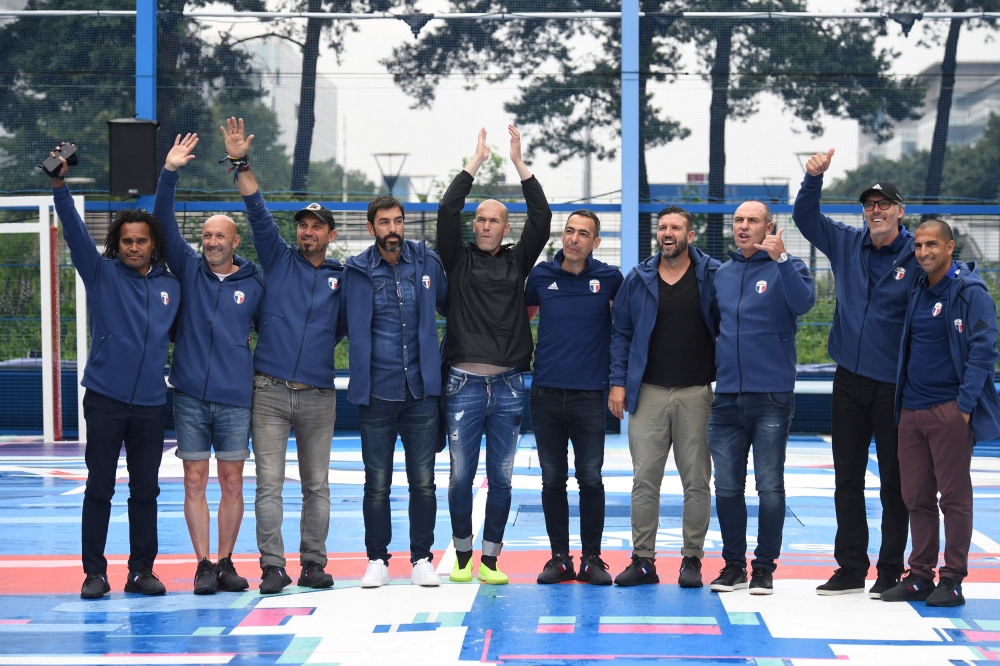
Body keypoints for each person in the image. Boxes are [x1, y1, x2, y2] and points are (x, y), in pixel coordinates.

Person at [49, 143, 180, 599]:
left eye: (142, 240)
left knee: (146, 493)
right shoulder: (100, 273)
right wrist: (60, 187)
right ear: (116, 244)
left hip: (150, 404)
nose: (134, 247)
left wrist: (168, 175)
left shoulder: (170, 285)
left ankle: (141, 571)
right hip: (104, 399)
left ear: (152, 244)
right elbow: (73, 232)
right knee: (99, 489)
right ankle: (94, 574)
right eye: (126, 240)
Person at [221, 117, 344, 594]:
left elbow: (344, 328)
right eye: (304, 226)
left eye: (317, 227)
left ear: (331, 234)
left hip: (318, 395)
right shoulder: (276, 256)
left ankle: (314, 563)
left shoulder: (342, 276)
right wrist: (239, 162)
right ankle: (273, 565)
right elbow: (255, 207)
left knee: (317, 486)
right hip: (269, 390)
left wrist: (312, 352)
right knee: (268, 484)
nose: (307, 232)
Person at [792, 149, 917, 598]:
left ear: (900, 212)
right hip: (848, 380)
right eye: (869, 204)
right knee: (847, 477)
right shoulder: (846, 242)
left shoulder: (916, 255)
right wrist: (813, 178)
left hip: (893, 387)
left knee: (894, 483)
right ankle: (850, 567)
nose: (875, 210)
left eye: (883, 204)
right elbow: (805, 217)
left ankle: (889, 570)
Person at [438, 126, 552, 585]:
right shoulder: (457, 258)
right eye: (480, 219)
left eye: (494, 220)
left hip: (507, 385)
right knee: (461, 477)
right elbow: (447, 210)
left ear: (506, 229)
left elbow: (541, 216)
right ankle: (463, 556)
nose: (485, 225)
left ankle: (490, 560)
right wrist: (476, 162)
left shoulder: (517, 261)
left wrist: (519, 163)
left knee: (502, 480)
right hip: (463, 383)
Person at [152, 133, 264, 595]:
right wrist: (169, 172)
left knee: (233, 481)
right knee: (194, 478)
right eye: (207, 236)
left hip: (237, 397)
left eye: (221, 235)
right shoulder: (187, 266)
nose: (212, 241)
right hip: (191, 395)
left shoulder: (255, 282)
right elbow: (161, 221)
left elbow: (269, 329)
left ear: (235, 240)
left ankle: (226, 562)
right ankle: (202, 564)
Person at [881, 219, 1000, 607]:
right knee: (915, 496)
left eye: (932, 244)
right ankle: (919, 575)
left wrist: (963, 407)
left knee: (954, 498)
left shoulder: (971, 292)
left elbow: (984, 351)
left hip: (949, 411)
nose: (923, 252)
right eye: (918, 245)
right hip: (912, 411)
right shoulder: (916, 286)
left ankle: (952, 579)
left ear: (950, 247)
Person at [607, 206, 719, 588]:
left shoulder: (713, 275)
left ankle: (692, 560)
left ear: (690, 236)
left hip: (696, 394)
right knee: (644, 482)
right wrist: (618, 382)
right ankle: (643, 561)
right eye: (662, 227)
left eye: (676, 228)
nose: (667, 233)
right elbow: (620, 332)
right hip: (649, 394)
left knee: (698, 483)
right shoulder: (638, 278)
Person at [341, 195, 448, 588]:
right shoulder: (355, 271)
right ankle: (377, 559)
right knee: (377, 482)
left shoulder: (426, 263)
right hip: (376, 395)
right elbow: (336, 323)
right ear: (371, 229)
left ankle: (422, 557)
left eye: (398, 221)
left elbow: (456, 309)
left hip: (421, 394)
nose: (393, 229)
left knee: (423, 481)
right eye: (384, 222)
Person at [708, 201, 814, 596]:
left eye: (752, 220)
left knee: (769, 486)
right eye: (738, 220)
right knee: (727, 488)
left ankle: (764, 568)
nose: (743, 226)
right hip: (726, 398)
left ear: (769, 227)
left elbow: (805, 304)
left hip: (771, 395)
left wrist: (781, 257)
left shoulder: (789, 266)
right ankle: (733, 565)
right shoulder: (722, 273)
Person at [526, 210, 623, 586]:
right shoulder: (540, 276)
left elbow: (626, 330)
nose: (574, 239)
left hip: (589, 396)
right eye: (569, 231)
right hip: (545, 393)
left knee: (590, 478)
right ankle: (560, 559)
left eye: (583, 234)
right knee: (552, 480)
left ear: (595, 242)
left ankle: (593, 560)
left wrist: (619, 381)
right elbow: (519, 318)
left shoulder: (611, 279)